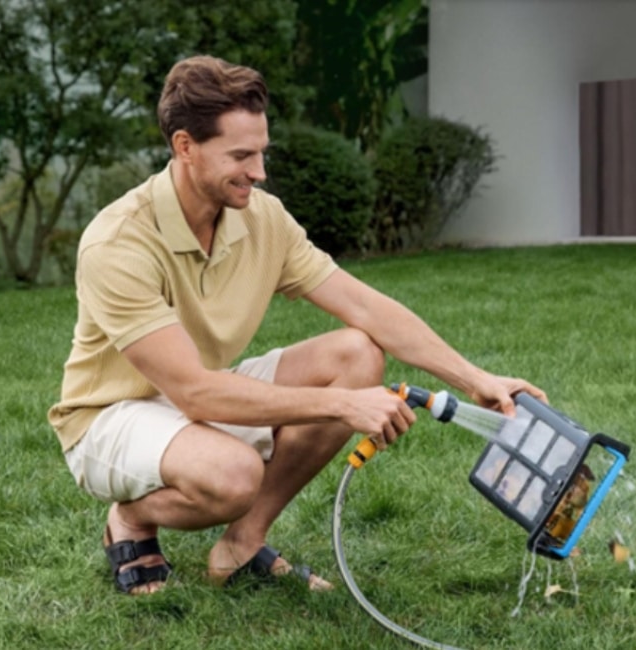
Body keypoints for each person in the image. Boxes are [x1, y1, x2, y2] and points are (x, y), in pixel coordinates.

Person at [47, 54, 546, 596]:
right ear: (185, 146)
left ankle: (241, 543)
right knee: (233, 475)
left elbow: (367, 308)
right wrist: (343, 405)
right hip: (110, 417)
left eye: (262, 152)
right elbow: (194, 392)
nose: (259, 171)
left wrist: (475, 380)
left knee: (357, 354)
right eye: (241, 156)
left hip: (198, 395)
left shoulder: (262, 217)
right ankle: (132, 520)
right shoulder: (118, 241)